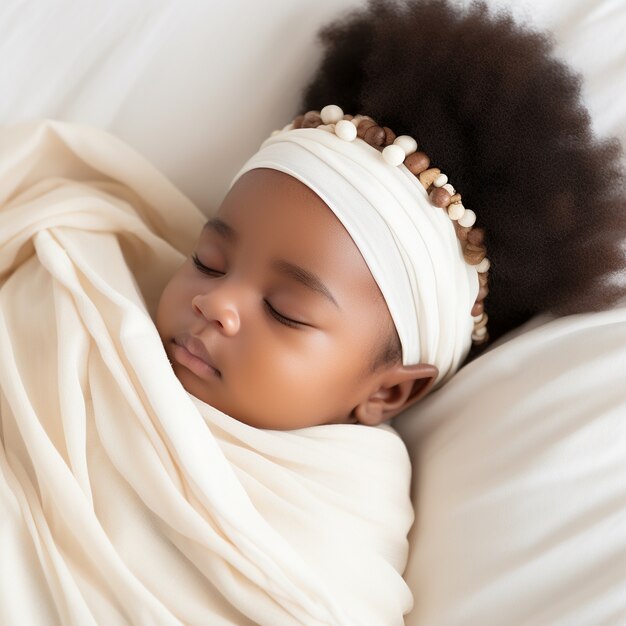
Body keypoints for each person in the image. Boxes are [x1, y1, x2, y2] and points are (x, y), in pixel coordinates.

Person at [156, 0, 626, 431]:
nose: (216, 304)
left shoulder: (333, 510)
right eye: (208, 261)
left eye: (285, 311)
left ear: (386, 391)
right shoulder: (103, 272)